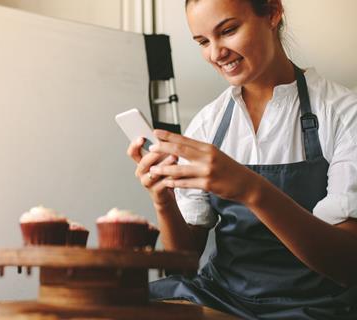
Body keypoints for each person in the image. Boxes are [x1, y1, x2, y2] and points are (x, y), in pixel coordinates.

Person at [127, 0, 357, 319]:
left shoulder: (345, 114)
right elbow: (183, 262)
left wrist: (250, 189)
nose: (216, 53)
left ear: (273, 13)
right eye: (203, 42)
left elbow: (346, 265)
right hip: (221, 296)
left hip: (313, 304)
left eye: (229, 30)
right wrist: (163, 199)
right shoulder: (209, 123)